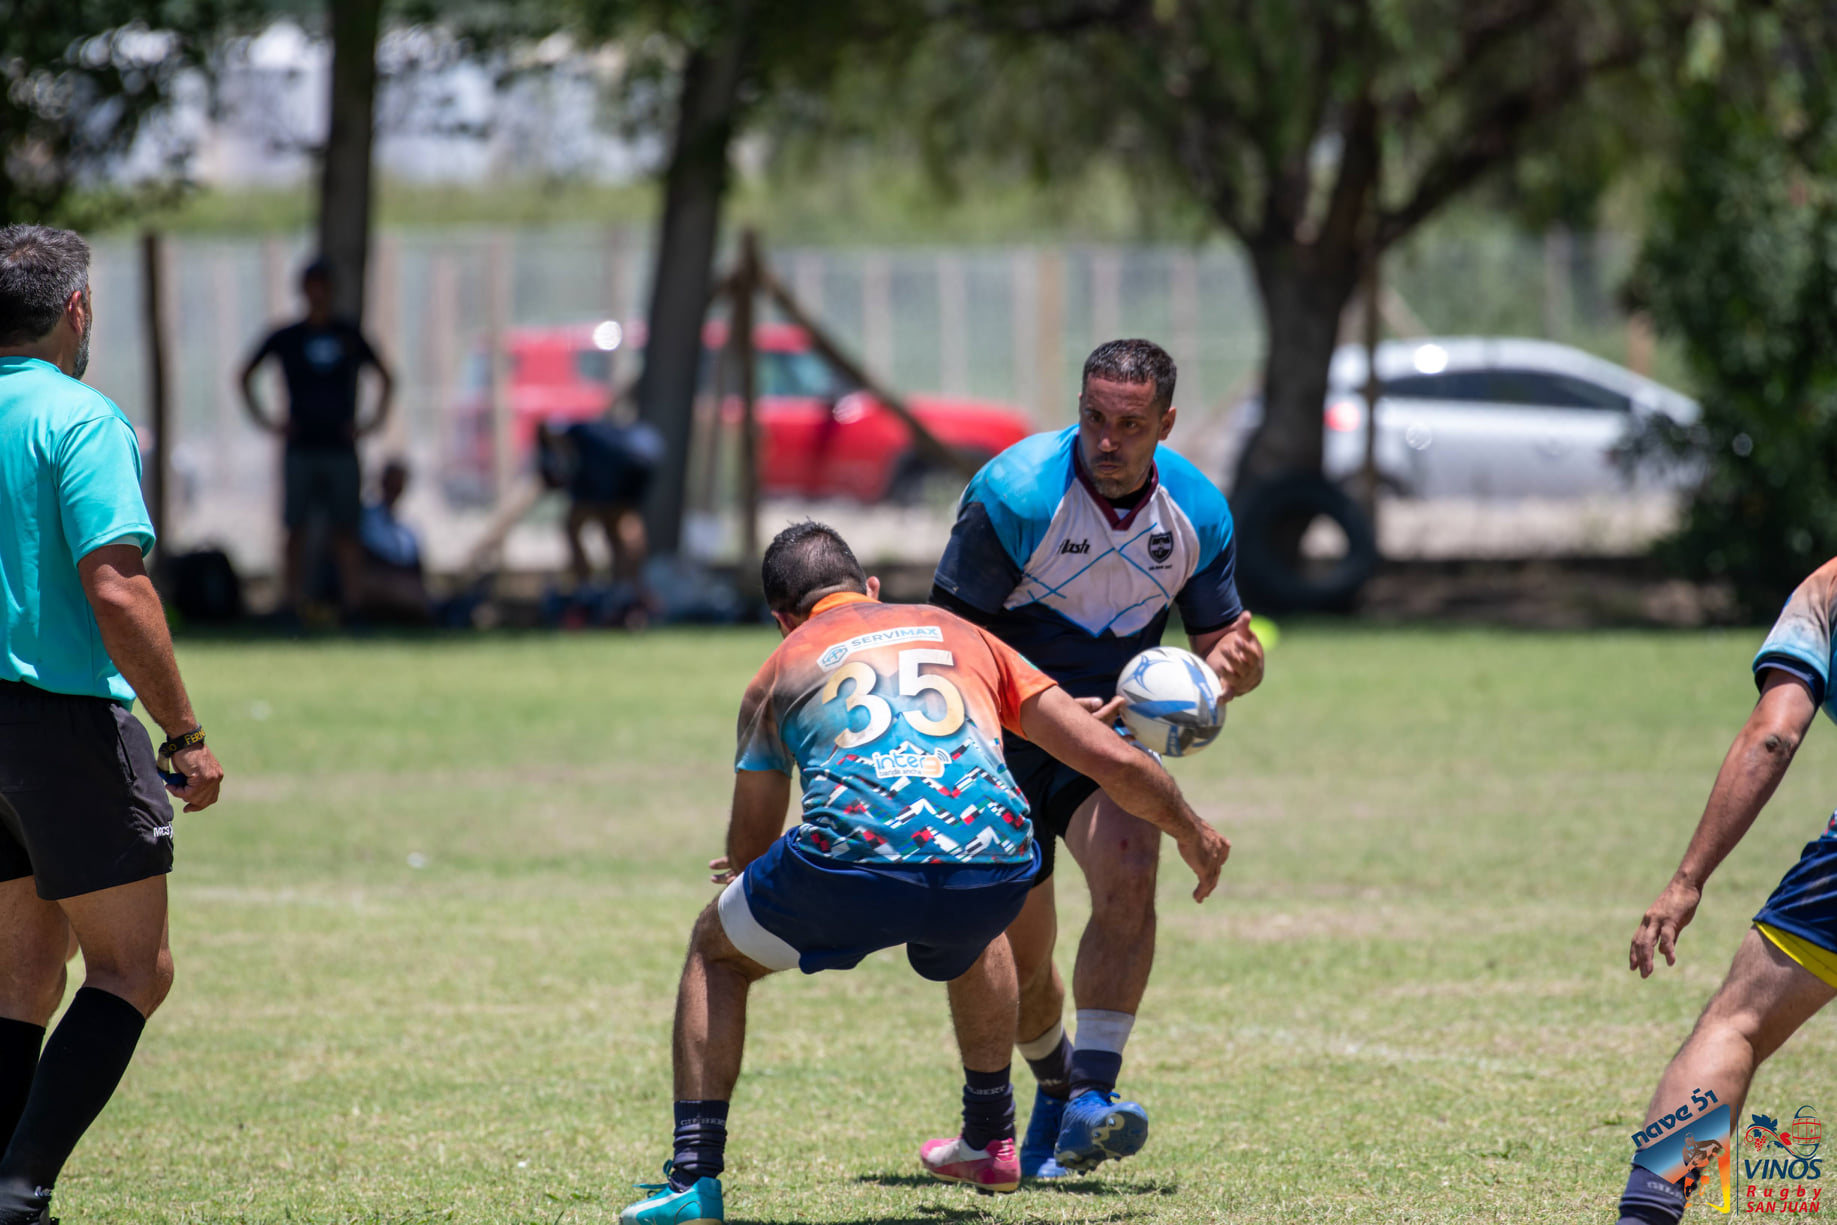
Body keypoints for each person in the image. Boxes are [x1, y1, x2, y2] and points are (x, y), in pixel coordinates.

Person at [620, 521, 1230, 1225]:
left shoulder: (780, 667)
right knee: (978, 923)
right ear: (870, 588)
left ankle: (693, 1178)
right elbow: (1110, 757)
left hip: (848, 862)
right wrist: (1192, 829)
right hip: (997, 862)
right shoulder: (960, 634)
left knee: (715, 950)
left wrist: (766, 883)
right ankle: (991, 1135)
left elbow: (752, 848)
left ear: (781, 617)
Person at [929, 338, 1264, 1178]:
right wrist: (1031, 701)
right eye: (1093, 418)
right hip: (994, 741)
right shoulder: (1014, 495)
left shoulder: (1197, 512)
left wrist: (1232, 668)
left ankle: (1090, 1099)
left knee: (1130, 859)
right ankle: (1052, 1089)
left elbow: (1222, 639)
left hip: (1104, 743)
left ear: (1166, 424)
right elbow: (945, 646)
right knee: (1026, 960)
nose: (1107, 441)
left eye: (1129, 424)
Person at [0, 224, 225, 1225]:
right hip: (56, 724)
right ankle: (19, 1188)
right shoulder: (80, 419)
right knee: (135, 966)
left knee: (22, 970)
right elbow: (118, 588)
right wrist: (183, 732)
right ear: (76, 308)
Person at [1616, 558, 1837, 1225]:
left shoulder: (1827, 588)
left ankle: (1647, 1218)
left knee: (1734, 1025)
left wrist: (1687, 878)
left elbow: (1773, 732)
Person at [240, 257, 394, 622]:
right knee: (296, 529)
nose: (318, 294)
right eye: (312, 286)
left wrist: (371, 423)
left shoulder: (348, 334)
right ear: (304, 291)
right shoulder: (287, 337)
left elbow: (387, 377)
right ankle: (292, 605)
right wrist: (267, 421)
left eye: (324, 286)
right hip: (301, 447)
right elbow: (245, 375)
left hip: (340, 448)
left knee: (346, 531)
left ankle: (353, 608)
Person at [536, 411, 663, 611]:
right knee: (619, 523)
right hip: (644, 453)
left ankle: (589, 587)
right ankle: (626, 588)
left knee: (576, 525)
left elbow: (555, 440)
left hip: (619, 461)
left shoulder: (567, 427)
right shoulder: (601, 429)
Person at [356, 459, 433, 625]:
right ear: (382, 483)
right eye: (391, 482)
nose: (394, 488)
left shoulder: (408, 530)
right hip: (376, 581)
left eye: (399, 483)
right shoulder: (364, 520)